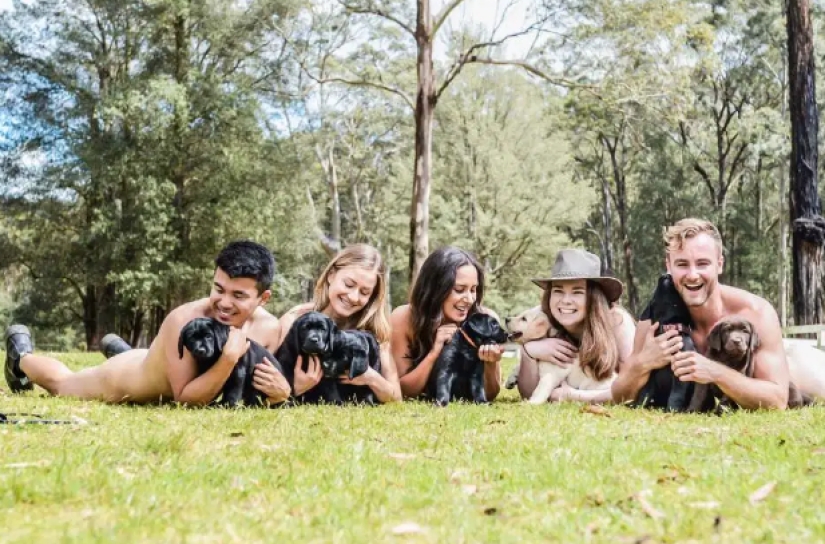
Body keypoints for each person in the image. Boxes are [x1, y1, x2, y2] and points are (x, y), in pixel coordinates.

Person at [4, 240, 290, 406]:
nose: (224, 302)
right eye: (218, 289)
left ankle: (123, 348)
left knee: (148, 355)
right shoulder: (185, 320)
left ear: (263, 298)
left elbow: (260, 386)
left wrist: (282, 393)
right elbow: (185, 399)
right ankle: (21, 357)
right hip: (127, 380)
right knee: (63, 384)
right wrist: (228, 359)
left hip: (157, 360)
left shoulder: (268, 328)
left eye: (238, 295)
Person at [612, 218, 790, 409]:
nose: (692, 275)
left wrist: (714, 372)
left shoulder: (756, 313)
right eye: (682, 264)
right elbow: (619, 395)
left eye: (702, 263)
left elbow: (778, 400)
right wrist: (642, 364)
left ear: (719, 264)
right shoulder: (655, 322)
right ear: (668, 266)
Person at [275, 244, 401, 403]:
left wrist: (371, 378)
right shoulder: (296, 319)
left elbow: (397, 398)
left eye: (364, 292)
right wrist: (296, 387)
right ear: (331, 275)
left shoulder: (374, 332)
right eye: (349, 284)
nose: (353, 297)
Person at [516, 249, 636, 403]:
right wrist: (529, 352)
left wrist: (572, 396)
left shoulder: (617, 322)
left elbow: (633, 388)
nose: (565, 300)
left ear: (593, 297)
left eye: (577, 292)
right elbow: (528, 393)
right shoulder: (542, 319)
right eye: (558, 291)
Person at [390, 246, 504, 401]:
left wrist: (491, 363)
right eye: (459, 289)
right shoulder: (403, 318)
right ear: (435, 288)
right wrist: (433, 353)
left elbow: (490, 394)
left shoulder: (484, 321)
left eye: (473, 289)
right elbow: (402, 391)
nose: (470, 299)